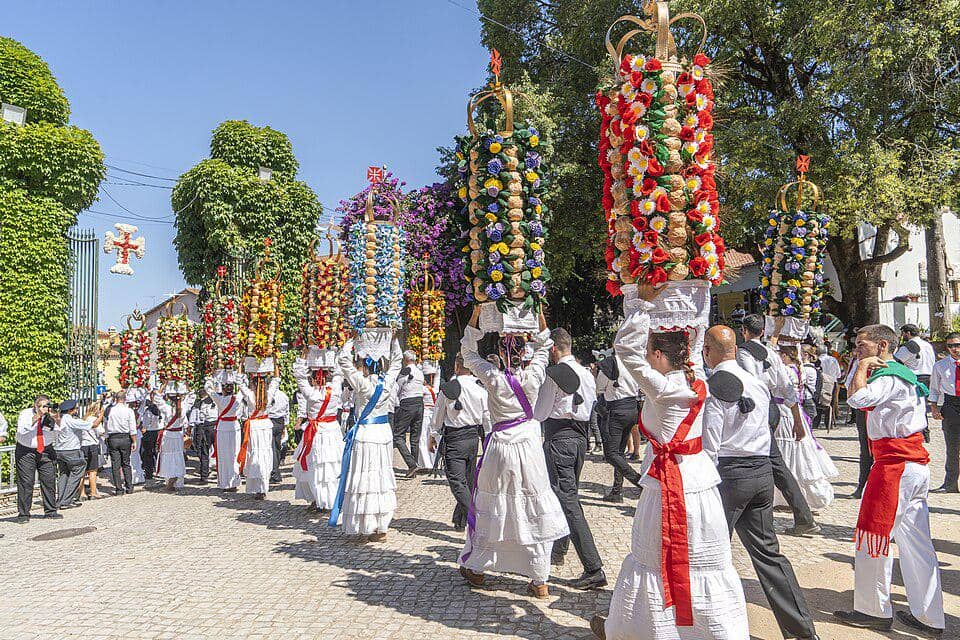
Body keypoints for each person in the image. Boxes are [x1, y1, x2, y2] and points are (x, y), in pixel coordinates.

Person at [594, 284, 749, 640]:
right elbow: (691, 346)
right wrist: (697, 301)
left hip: (669, 486)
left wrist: (642, 305)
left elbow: (623, 349)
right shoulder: (697, 381)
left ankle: (654, 630)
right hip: (699, 483)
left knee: (656, 559)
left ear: (661, 356)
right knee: (700, 561)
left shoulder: (661, 387)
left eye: (651, 352)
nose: (647, 357)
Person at [702, 326, 819, 640]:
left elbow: (710, 443)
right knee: (769, 555)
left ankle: (710, 626)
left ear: (708, 350)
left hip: (730, 474)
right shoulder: (756, 382)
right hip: (761, 471)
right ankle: (802, 631)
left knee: (707, 553)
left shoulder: (715, 385)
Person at [834, 324, 944, 636]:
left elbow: (856, 399)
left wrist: (864, 366)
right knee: (915, 541)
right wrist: (862, 364)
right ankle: (930, 616)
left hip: (895, 465)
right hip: (909, 463)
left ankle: (873, 609)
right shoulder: (899, 373)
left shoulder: (889, 374)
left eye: (861, 345)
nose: (857, 350)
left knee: (873, 536)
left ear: (882, 345)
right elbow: (853, 388)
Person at [457, 307, 569, 599]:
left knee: (495, 507)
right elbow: (546, 344)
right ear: (524, 353)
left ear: (503, 355)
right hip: (529, 446)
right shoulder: (534, 374)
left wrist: (476, 315)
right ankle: (539, 579)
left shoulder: (493, 377)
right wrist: (540, 311)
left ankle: (479, 568)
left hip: (500, 447)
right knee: (532, 507)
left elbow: (468, 353)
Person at [533, 327, 606, 590]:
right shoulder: (587, 373)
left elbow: (540, 413)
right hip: (579, 439)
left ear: (553, 349)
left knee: (568, 499)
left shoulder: (555, 375)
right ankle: (558, 550)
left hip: (559, 437)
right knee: (564, 495)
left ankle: (593, 566)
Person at [737, 314, 820, 535]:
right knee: (773, 462)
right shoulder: (771, 354)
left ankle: (757, 510)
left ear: (744, 331)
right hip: (773, 408)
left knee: (766, 462)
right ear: (762, 332)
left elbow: (750, 384)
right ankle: (802, 516)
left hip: (758, 410)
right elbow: (786, 386)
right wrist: (796, 418)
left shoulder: (743, 353)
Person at [331, 335, 402, 540]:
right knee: (380, 478)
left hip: (365, 435)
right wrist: (393, 339)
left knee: (363, 479)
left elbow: (343, 359)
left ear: (364, 365)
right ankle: (380, 526)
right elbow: (396, 361)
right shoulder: (387, 382)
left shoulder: (362, 384)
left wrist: (351, 340)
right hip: (383, 434)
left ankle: (362, 525)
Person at [429, 354, 489, 531]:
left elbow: (438, 414)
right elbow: (487, 419)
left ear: (456, 366)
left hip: (455, 439)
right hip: (472, 439)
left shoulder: (448, 389)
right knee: (467, 481)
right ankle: (460, 520)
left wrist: (433, 435)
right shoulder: (481, 390)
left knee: (457, 481)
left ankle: (477, 517)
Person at [774, 346, 838, 510]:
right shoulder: (798, 369)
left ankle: (793, 495)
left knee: (788, 451)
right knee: (792, 451)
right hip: (790, 410)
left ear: (784, 355)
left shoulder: (787, 371)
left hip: (786, 411)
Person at [291, 350, 344, 512]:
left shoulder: (311, 393)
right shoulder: (336, 389)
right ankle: (331, 498)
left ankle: (318, 499)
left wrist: (302, 356)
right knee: (331, 466)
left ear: (314, 378)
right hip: (333, 431)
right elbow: (340, 372)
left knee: (316, 466)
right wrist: (335, 353)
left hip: (317, 432)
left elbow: (299, 376)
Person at [595, 347, 642, 503]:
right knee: (619, 453)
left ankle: (639, 481)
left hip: (616, 409)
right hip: (631, 408)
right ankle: (616, 490)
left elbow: (599, 387)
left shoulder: (610, 364)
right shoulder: (634, 362)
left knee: (611, 454)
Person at [15, 396, 60, 521]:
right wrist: (37, 417)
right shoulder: (25, 414)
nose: (44, 408)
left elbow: (58, 431)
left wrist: (56, 418)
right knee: (26, 482)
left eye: (46, 405)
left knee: (49, 480)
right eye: (41, 406)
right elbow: (22, 431)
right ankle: (24, 514)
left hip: (46, 450)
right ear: (35, 406)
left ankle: (50, 511)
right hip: (26, 451)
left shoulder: (51, 415)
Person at [54, 399, 104, 510]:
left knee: (64, 474)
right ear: (70, 410)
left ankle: (60, 499)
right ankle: (67, 500)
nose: (77, 410)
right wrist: (102, 414)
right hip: (71, 450)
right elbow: (94, 424)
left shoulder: (58, 419)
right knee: (77, 471)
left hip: (59, 450)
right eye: (76, 408)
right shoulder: (70, 420)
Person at [928, 331, 960, 493]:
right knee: (952, 447)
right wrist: (934, 407)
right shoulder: (940, 366)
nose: (955, 349)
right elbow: (934, 388)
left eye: (957, 345)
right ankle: (950, 484)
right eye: (951, 346)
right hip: (951, 404)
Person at [238, 375, 280, 499]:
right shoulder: (269, 394)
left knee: (255, 455)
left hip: (255, 426)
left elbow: (239, 382)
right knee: (264, 455)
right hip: (265, 425)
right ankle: (263, 487)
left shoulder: (250, 395)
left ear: (254, 384)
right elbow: (276, 381)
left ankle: (257, 488)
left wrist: (241, 364)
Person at [895, 324, 936, 443]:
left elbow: (896, 361)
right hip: (928, 376)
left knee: (915, 405)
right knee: (922, 405)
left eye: (903, 333)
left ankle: (921, 431)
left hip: (915, 377)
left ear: (907, 333)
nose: (902, 336)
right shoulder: (927, 345)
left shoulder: (908, 346)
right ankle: (925, 431)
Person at [204, 374, 245, 492]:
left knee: (223, 456)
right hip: (234, 427)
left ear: (222, 389)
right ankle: (234, 482)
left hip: (222, 427)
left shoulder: (219, 399)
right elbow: (244, 387)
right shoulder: (237, 398)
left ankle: (225, 482)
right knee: (234, 455)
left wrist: (210, 377)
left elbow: (208, 388)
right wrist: (238, 376)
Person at [155, 388, 195, 491]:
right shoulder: (184, 407)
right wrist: (187, 385)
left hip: (168, 435)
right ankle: (177, 479)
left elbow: (156, 398)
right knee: (178, 455)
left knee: (169, 457)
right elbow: (192, 397)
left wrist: (164, 385)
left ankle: (170, 482)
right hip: (178, 435)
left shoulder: (166, 408)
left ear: (168, 397)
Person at [393, 350, 425, 477]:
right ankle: (414, 467)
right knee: (415, 438)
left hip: (407, 403)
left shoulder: (404, 372)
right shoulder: (420, 372)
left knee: (398, 435)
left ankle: (412, 464)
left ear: (405, 360)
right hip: (419, 402)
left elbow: (397, 387)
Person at [104, 391, 138, 495]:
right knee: (126, 463)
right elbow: (132, 427)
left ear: (116, 398)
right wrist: (134, 441)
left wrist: (106, 437)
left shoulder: (110, 410)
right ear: (125, 399)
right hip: (125, 437)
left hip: (113, 437)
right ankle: (129, 487)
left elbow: (106, 425)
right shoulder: (128, 411)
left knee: (115, 464)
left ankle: (119, 488)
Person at [188, 389, 218, 484]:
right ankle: (221, 474)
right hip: (216, 426)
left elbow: (199, 417)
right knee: (219, 451)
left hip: (206, 426)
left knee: (204, 451)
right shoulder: (217, 401)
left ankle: (204, 475)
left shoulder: (201, 404)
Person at [417, 365, 440, 470]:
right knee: (433, 437)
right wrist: (437, 366)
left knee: (423, 438)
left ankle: (426, 463)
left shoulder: (422, 389)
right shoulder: (435, 389)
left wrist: (419, 366)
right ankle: (432, 461)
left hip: (425, 414)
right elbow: (437, 378)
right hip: (433, 414)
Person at [268, 386, 290, 484]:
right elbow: (287, 412)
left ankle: (274, 472)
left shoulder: (267, 394)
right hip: (280, 421)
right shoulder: (284, 395)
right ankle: (275, 472)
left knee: (271, 448)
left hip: (270, 420)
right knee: (276, 448)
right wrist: (285, 426)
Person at [140, 390, 163, 482]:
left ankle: (149, 473)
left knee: (148, 453)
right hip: (159, 432)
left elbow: (145, 424)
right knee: (158, 453)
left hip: (149, 433)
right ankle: (160, 470)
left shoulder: (148, 411)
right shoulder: (162, 409)